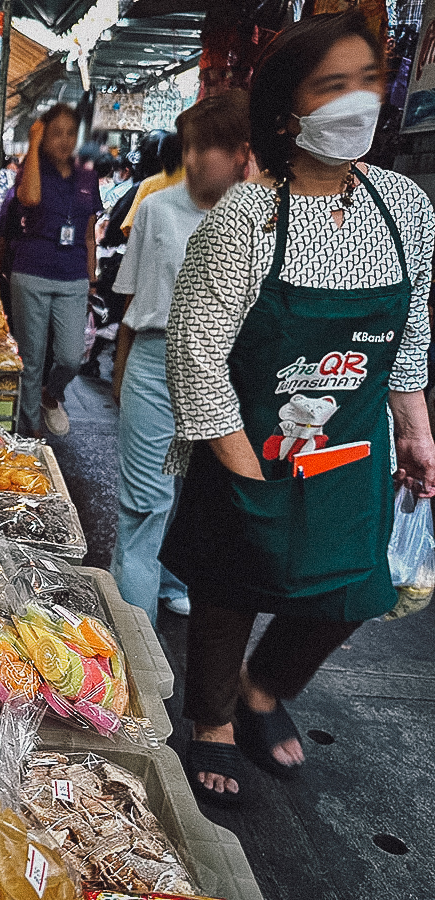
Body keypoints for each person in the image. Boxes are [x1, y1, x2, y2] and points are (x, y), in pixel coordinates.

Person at [160, 10, 435, 807]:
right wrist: (245, 468)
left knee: (354, 589)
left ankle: (263, 687)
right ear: (288, 111)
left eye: (368, 82)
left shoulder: (407, 209)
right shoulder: (247, 219)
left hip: (352, 448)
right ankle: (210, 718)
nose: (358, 101)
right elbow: (196, 354)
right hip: (249, 443)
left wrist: (416, 433)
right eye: (332, 86)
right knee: (227, 585)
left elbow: (408, 335)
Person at [109, 90, 252, 628]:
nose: (191, 161)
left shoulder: (264, 218)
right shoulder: (156, 210)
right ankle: (134, 636)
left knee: (196, 500)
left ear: (241, 153)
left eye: (205, 149)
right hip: (156, 362)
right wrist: (124, 375)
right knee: (144, 507)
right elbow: (133, 303)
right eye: (188, 147)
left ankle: (172, 582)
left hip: (227, 376)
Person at [0, 103, 101, 437]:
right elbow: (28, 198)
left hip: (73, 277)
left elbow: (88, 233)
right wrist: (32, 144)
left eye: (70, 133)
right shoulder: (32, 168)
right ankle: (30, 438)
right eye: (55, 133)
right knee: (31, 360)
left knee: (72, 357)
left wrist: (92, 276)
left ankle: (51, 394)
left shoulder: (87, 174)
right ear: (43, 135)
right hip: (32, 273)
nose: (64, 140)